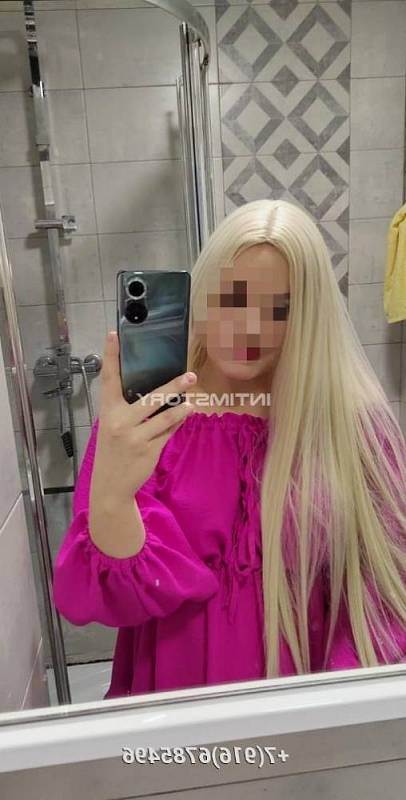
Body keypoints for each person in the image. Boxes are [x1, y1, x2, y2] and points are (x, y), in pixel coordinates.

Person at [53, 199, 406, 699]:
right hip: (173, 696)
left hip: (304, 703)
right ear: (204, 295)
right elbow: (103, 599)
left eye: (279, 309)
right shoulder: (146, 418)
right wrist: (112, 494)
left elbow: (384, 596)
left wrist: (329, 711)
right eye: (233, 299)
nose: (250, 328)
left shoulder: (350, 426)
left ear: (309, 314)